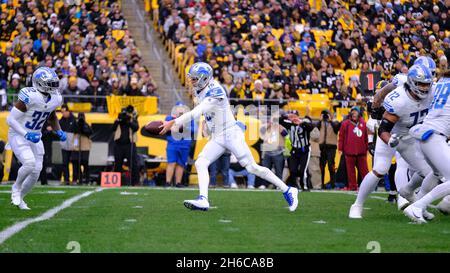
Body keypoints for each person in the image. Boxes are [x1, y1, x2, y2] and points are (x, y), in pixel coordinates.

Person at [160, 62, 298, 211]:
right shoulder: (201, 90)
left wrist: (173, 122)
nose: (191, 81)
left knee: (252, 168)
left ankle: (288, 190)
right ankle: (203, 199)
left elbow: (197, 112)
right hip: (219, 135)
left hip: (230, 133)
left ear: (203, 78)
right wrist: (209, 123)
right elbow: (210, 111)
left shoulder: (215, 90)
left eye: (194, 79)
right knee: (201, 162)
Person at [349, 64, 440, 219]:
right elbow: (384, 128)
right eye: (421, 84)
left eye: (427, 84)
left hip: (410, 137)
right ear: (411, 83)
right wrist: (377, 100)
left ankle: (409, 194)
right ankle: (357, 205)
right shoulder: (399, 99)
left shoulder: (434, 90)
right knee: (380, 169)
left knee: (429, 172)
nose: (425, 88)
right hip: (392, 135)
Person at [6, 67, 66, 210]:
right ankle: (15, 188)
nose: (54, 86)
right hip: (18, 134)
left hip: (36, 135)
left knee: (36, 171)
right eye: (50, 83)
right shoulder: (30, 96)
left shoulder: (55, 98)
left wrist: (59, 130)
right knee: (29, 162)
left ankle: (20, 198)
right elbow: (10, 120)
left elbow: (51, 116)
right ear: (39, 83)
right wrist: (26, 134)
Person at [403, 71, 450, 223]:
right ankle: (417, 207)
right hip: (435, 136)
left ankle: (419, 206)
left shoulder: (443, 81)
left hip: (425, 133)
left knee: (436, 173)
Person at [280, 111, 314, 191]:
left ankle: (305, 187)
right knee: (292, 170)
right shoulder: (289, 124)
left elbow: (311, 127)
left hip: (304, 150)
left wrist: (301, 123)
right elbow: (279, 120)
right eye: (292, 116)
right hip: (294, 150)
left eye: (295, 116)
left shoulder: (304, 123)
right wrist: (286, 116)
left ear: (298, 116)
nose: (293, 118)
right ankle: (295, 186)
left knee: (303, 170)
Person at [338, 106, 369, 191]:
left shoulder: (363, 123)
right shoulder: (345, 123)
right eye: (353, 111)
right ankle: (352, 186)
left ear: (359, 113)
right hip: (349, 152)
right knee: (350, 172)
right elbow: (341, 137)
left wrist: (367, 148)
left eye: (356, 112)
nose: (354, 113)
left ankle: (368, 186)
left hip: (361, 152)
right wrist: (340, 148)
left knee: (364, 171)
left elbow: (366, 137)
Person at [165, 102, 194, 187]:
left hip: (184, 143)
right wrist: (174, 127)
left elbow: (193, 130)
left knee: (181, 163)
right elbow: (165, 128)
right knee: (171, 162)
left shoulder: (189, 119)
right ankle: (168, 182)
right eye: (178, 108)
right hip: (172, 143)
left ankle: (178, 182)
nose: (180, 110)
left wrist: (181, 127)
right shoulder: (169, 118)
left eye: (182, 108)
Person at [112, 105, 140, 186]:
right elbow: (112, 129)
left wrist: (129, 121)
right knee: (117, 164)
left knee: (133, 164)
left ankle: (135, 182)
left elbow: (136, 127)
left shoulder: (132, 119)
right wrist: (118, 120)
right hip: (118, 145)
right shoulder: (118, 119)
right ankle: (116, 182)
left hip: (129, 144)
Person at [259, 115, 287, 189]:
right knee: (265, 169)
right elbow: (261, 133)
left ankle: (278, 185)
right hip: (267, 152)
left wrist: (279, 127)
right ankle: (264, 184)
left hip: (278, 152)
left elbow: (286, 135)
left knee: (278, 171)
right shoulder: (266, 127)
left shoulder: (280, 127)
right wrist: (268, 125)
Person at [316, 109, 340, 189]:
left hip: (331, 148)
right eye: (324, 114)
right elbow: (315, 129)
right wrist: (320, 120)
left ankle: (333, 184)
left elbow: (337, 128)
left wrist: (331, 120)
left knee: (331, 165)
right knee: (321, 166)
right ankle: (321, 184)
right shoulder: (320, 123)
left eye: (327, 114)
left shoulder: (335, 122)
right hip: (322, 147)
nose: (325, 116)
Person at [71, 113, 93, 185]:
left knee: (85, 162)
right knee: (75, 162)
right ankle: (76, 179)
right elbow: (72, 129)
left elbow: (89, 132)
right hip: (76, 146)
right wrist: (77, 124)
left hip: (85, 146)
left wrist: (83, 126)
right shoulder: (75, 124)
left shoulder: (86, 124)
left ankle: (87, 179)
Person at [59, 104, 76, 185]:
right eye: (62, 112)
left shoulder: (74, 120)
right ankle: (66, 179)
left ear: (68, 111)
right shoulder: (60, 121)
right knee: (65, 162)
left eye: (65, 111)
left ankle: (75, 179)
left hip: (73, 145)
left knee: (74, 162)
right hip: (64, 145)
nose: (63, 113)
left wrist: (75, 144)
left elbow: (76, 133)